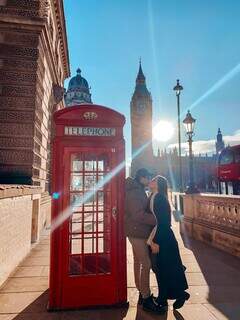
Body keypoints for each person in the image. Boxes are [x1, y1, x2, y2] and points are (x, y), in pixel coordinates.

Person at [125, 168, 164, 314]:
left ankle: (142, 292)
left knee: (138, 262)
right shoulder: (135, 192)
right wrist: (156, 220)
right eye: (148, 178)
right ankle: (146, 298)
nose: (149, 180)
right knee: (146, 263)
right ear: (142, 178)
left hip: (135, 230)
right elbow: (138, 214)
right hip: (136, 231)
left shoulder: (137, 189)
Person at [147, 175, 190, 310]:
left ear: (158, 184)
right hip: (162, 236)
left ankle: (166, 297)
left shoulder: (159, 198)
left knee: (161, 269)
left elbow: (163, 222)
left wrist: (155, 242)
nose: (150, 181)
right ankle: (176, 294)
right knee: (163, 268)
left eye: (153, 180)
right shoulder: (154, 196)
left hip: (162, 237)